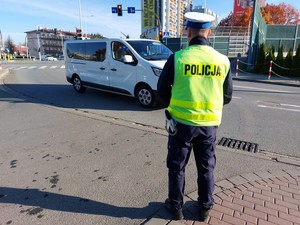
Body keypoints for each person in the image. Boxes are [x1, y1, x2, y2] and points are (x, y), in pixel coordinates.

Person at [157, 12, 233, 221]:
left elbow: (161, 90)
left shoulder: (178, 58)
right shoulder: (222, 61)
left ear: (188, 32)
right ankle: (205, 208)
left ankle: (175, 207)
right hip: (209, 126)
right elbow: (227, 96)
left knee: (177, 166)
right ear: (209, 33)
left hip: (181, 125)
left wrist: (171, 107)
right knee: (206, 167)